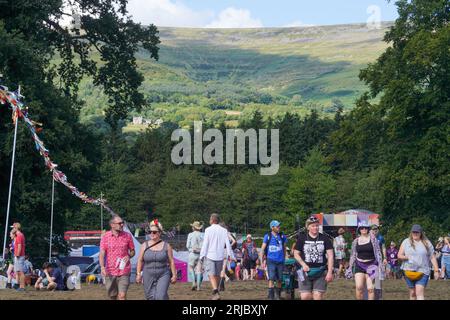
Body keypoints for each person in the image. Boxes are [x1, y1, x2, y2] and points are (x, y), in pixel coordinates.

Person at [294, 216, 334, 300]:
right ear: (308, 227)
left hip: (320, 271)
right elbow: (296, 254)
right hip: (305, 272)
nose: (315, 228)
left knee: (317, 296)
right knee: (305, 297)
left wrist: (330, 272)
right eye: (312, 226)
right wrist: (303, 264)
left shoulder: (325, 238)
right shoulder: (302, 238)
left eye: (317, 225)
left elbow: (330, 256)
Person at [136, 219, 177, 300]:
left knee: (160, 297)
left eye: (154, 232)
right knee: (150, 297)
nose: (152, 233)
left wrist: (174, 275)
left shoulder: (167, 246)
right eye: (150, 232)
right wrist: (138, 274)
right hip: (148, 274)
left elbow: (171, 261)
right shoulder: (144, 245)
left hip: (163, 274)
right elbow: (140, 260)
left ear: (160, 233)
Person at [199, 213, 236, 300]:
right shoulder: (224, 230)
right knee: (218, 274)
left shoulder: (208, 230)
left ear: (212, 220)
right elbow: (228, 243)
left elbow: (205, 244)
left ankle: (215, 291)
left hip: (210, 255)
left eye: (210, 219)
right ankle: (216, 292)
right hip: (220, 255)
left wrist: (201, 256)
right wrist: (230, 254)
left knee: (211, 274)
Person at [398, 224, 439, 300]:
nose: (415, 234)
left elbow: (432, 257)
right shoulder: (406, 242)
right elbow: (399, 255)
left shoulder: (427, 243)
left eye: (417, 232)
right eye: (414, 232)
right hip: (408, 271)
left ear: (421, 233)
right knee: (413, 293)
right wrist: (406, 257)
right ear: (411, 232)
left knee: (419, 293)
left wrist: (436, 270)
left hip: (423, 271)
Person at [99, 215, 135, 300]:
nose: (122, 225)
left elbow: (133, 251)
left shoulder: (128, 236)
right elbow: (102, 253)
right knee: (112, 296)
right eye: (120, 223)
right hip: (110, 272)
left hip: (124, 270)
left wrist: (129, 256)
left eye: (122, 223)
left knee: (122, 295)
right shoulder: (105, 237)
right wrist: (102, 267)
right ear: (112, 225)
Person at [348, 221, 383, 300]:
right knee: (359, 287)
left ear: (368, 229)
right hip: (359, 265)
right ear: (359, 229)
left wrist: (380, 265)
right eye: (362, 228)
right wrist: (350, 267)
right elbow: (353, 255)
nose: (364, 229)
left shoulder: (374, 240)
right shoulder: (355, 241)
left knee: (370, 288)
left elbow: (378, 253)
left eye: (365, 228)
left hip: (372, 265)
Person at [261, 220, 287, 300]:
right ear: (272, 227)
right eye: (277, 226)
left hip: (280, 261)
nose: (279, 227)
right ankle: (271, 297)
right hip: (271, 260)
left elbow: (284, 248)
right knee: (271, 278)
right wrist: (262, 261)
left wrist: (284, 258)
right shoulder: (267, 236)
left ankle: (277, 296)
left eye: (279, 226)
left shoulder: (282, 236)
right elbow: (262, 249)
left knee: (280, 279)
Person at [186, 221, 204, 291]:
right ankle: (199, 287)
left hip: (192, 254)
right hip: (200, 254)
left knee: (191, 268)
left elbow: (187, 246)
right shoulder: (203, 234)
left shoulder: (190, 234)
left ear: (193, 227)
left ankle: (193, 283)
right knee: (199, 270)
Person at [12, 222, 26, 291]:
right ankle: (21, 286)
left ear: (16, 228)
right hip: (19, 256)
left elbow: (20, 246)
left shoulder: (19, 235)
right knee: (18, 272)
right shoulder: (18, 235)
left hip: (19, 256)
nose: (12, 229)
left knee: (20, 272)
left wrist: (17, 254)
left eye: (13, 228)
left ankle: (22, 287)